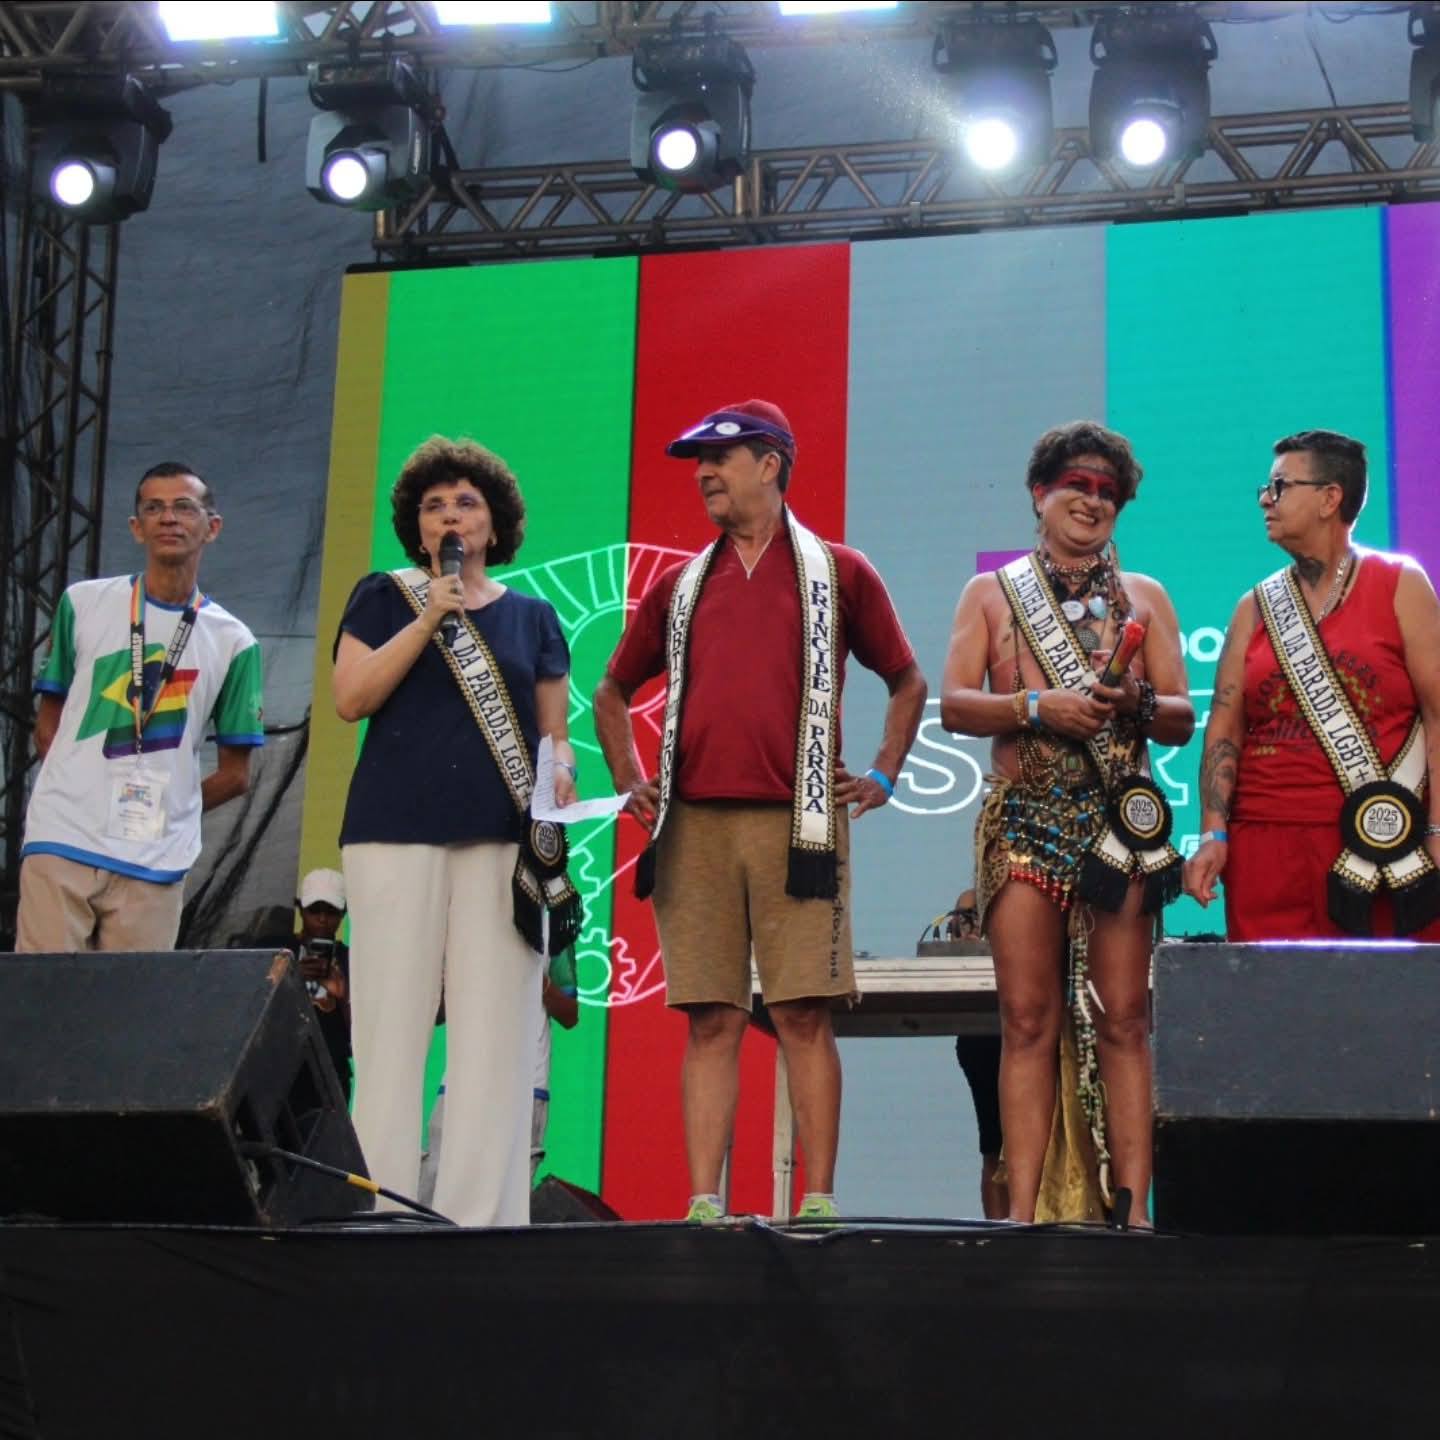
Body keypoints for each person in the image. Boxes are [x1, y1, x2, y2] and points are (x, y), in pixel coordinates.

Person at [594, 399, 927, 1222]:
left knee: (802, 1012)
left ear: (771, 464)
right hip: (694, 828)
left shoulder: (840, 571)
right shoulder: (681, 583)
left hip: (800, 824)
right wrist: (631, 778)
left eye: (721, 458)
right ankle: (703, 1202)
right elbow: (610, 690)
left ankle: (818, 1200)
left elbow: (907, 679)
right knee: (711, 1018)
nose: (704, 475)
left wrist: (884, 774)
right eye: (698, 463)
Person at [940, 421, 1195, 1226]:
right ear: (1038, 494)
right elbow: (954, 705)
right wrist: (1035, 706)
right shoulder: (991, 594)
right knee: (1025, 1019)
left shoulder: (1145, 598)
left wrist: (1137, 702)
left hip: (1120, 824)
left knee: (1126, 1016)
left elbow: (1182, 718)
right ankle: (1021, 1216)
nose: (1092, 501)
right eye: (1075, 486)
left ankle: (1137, 1213)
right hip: (1025, 821)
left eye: (1107, 492)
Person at [332, 436, 580, 1228]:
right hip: (392, 832)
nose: (450, 516)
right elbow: (350, 699)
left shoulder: (534, 618)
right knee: (389, 1027)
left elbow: (554, 736)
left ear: (495, 524)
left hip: (501, 839)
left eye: (466, 503)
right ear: (417, 525)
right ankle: (379, 1208)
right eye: (434, 505)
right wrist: (430, 618)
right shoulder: (386, 596)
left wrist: (563, 772)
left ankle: (481, 1218)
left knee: (495, 1032)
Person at [1184, 430, 1440, 941]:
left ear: (1330, 498)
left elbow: (1437, 716)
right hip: (1265, 847)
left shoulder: (1400, 584)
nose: (1265, 499)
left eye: (1279, 486)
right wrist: (1213, 831)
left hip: (1382, 843)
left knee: (1388, 991)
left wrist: (1436, 829)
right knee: (1269, 990)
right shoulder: (1254, 606)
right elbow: (1225, 728)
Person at [16, 462, 262, 953]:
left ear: (212, 527)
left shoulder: (235, 641)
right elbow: (48, 725)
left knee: (133, 1000)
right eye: (154, 507)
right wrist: (82, 789)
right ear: (136, 527)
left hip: (155, 858)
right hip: (63, 838)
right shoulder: (82, 603)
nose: (168, 518)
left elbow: (236, 775)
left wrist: (169, 811)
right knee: (43, 994)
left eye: (183, 507)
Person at [262, 868, 352, 1101]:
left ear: (344, 913)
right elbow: (249, 1006)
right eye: (315, 909)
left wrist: (342, 993)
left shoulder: (351, 960)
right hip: (276, 1069)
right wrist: (291, 975)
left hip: (331, 1072)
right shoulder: (274, 949)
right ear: (300, 908)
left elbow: (363, 1032)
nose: (322, 918)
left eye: (331, 911)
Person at [947, 890, 1009, 1221]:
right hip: (984, 1036)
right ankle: (998, 1231)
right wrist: (966, 941)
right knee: (993, 1145)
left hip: (1031, 1027)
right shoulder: (971, 897)